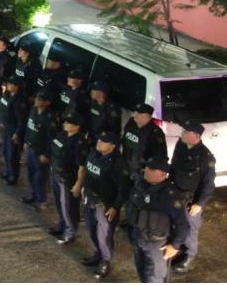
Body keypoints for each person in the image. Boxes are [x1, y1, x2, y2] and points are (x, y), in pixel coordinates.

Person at [126, 155, 188, 283]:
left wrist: (175, 245)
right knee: (141, 271)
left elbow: (182, 223)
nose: (147, 170)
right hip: (139, 237)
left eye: (152, 169)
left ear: (163, 174)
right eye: (147, 167)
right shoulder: (141, 185)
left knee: (154, 276)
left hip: (156, 244)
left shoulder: (169, 195)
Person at [81, 131, 131, 279]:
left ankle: (105, 261)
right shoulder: (94, 154)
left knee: (104, 235)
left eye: (104, 141)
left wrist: (115, 207)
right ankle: (98, 254)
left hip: (105, 205)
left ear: (113, 146)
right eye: (99, 140)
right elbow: (88, 172)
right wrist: (84, 187)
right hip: (90, 199)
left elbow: (124, 190)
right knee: (91, 230)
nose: (99, 142)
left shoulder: (119, 164)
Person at [170, 120, 216, 274]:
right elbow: (174, 167)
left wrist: (200, 204)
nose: (182, 133)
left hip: (190, 201)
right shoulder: (181, 145)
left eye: (185, 132)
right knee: (176, 224)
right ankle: (178, 250)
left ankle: (189, 256)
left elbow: (208, 184)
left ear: (196, 135)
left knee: (191, 229)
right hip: (175, 193)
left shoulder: (205, 157)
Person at [50, 113, 88, 245]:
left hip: (68, 179)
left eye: (68, 123)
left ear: (77, 127)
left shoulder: (79, 143)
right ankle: (62, 225)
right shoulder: (63, 135)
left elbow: (82, 167)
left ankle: (70, 232)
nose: (65, 124)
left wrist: (78, 184)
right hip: (57, 174)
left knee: (68, 206)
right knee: (60, 204)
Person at [22, 88, 56, 211]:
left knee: (41, 177)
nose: (37, 100)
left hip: (40, 152)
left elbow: (51, 139)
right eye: (37, 98)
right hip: (31, 148)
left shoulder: (49, 118)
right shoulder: (33, 110)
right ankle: (34, 195)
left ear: (47, 102)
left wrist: (47, 154)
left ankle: (42, 201)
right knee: (31, 173)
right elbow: (29, 127)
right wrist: (26, 142)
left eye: (40, 99)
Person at [122, 103, 167, 183]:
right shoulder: (131, 124)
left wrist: (147, 172)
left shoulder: (155, 133)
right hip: (126, 166)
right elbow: (125, 142)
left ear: (148, 116)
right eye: (135, 112)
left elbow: (160, 157)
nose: (135, 114)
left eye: (139, 113)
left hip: (140, 173)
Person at [0, 77, 28, 185]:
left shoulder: (20, 101)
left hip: (13, 130)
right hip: (5, 127)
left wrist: (17, 134)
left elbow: (22, 120)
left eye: (11, 84)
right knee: (5, 152)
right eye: (8, 83)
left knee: (12, 155)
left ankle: (13, 176)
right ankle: (8, 172)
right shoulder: (6, 95)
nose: (8, 85)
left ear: (17, 86)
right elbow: (1, 108)